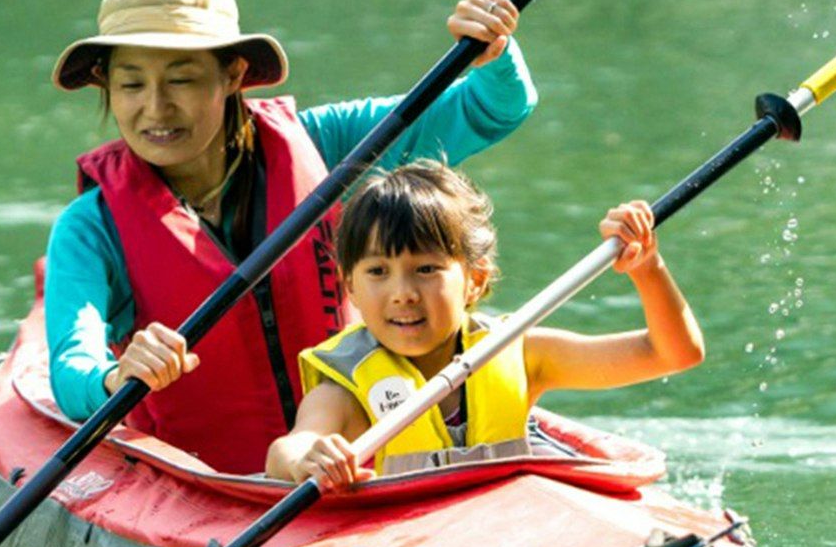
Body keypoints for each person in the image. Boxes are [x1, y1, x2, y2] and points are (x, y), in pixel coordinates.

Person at [43, 0, 531, 475]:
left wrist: (494, 53)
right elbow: (72, 371)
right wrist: (116, 377)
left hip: (355, 466)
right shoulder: (90, 227)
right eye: (130, 85)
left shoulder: (326, 144)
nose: (155, 108)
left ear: (233, 74)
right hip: (207, 487)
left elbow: (495, 107)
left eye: (181, 80)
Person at [265, 163, 704, 490]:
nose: (403, 293)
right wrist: (308, 460)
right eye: (378, 272)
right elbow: (287, 449)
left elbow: (674, 353)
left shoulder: (520, 352)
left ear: (474, 280)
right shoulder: (343, 393)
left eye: (426, 269)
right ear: (351, 289)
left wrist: (647, 268)